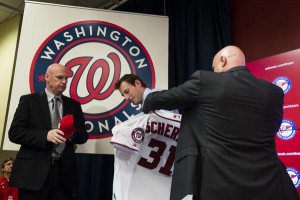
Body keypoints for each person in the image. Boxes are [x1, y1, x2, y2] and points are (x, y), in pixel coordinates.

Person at [142, 45, 300, 200]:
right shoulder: (274, 92)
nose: (214, 71)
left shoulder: (206, 81)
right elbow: (275, 127)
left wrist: (145, 98)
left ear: (223, 61)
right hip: (270, 184)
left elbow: (167, 98)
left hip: (220, 183)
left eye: (214, 67)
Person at [8, 63, 89, 200]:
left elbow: (83, 136)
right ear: (47, 77)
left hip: (63, 176)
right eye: (59, 77)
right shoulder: (29, 101)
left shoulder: (73, 105)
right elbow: (15, 133)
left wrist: (71, 134)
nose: (64, 82)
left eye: (66, 78)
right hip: (33, 175)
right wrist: (45, 135)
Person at [112, 74, 180, 200]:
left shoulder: (156, 97)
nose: (126, 97)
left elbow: (172, 125)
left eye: (127, 91)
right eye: (123, 95)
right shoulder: (146, 108)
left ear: (138, 83)